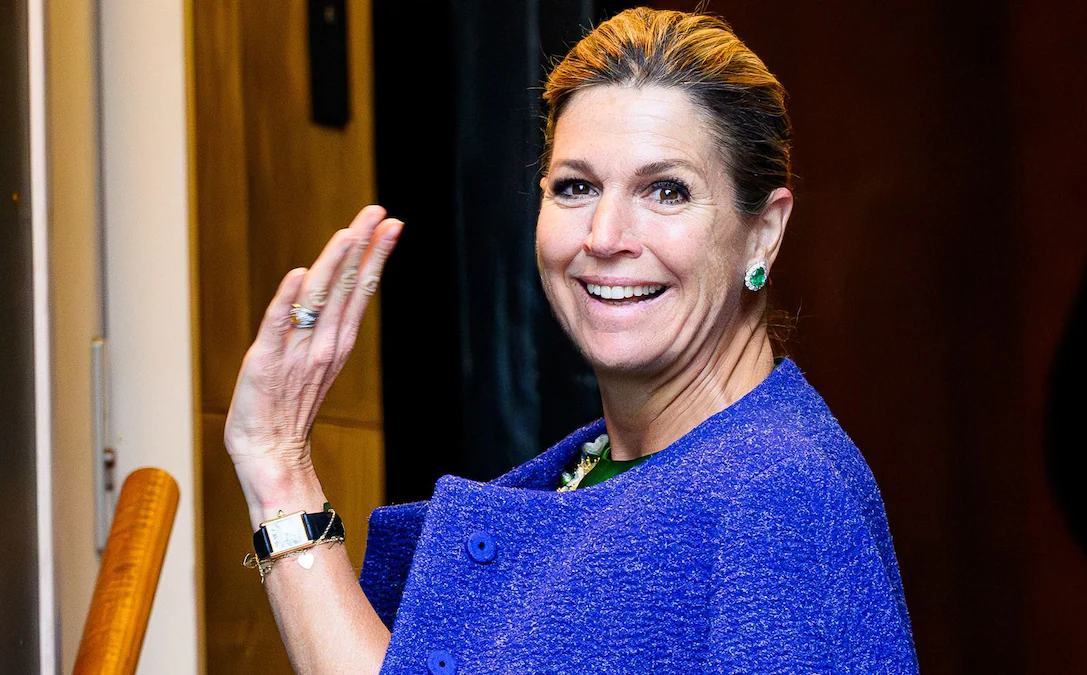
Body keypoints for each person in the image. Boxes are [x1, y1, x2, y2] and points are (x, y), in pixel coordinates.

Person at [225, 8, 918, 674]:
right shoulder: (587, 470)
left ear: (763, 232)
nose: (605, 236)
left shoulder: (780, 493)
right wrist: (277, 462)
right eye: (576, 186)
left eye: (667, 191)